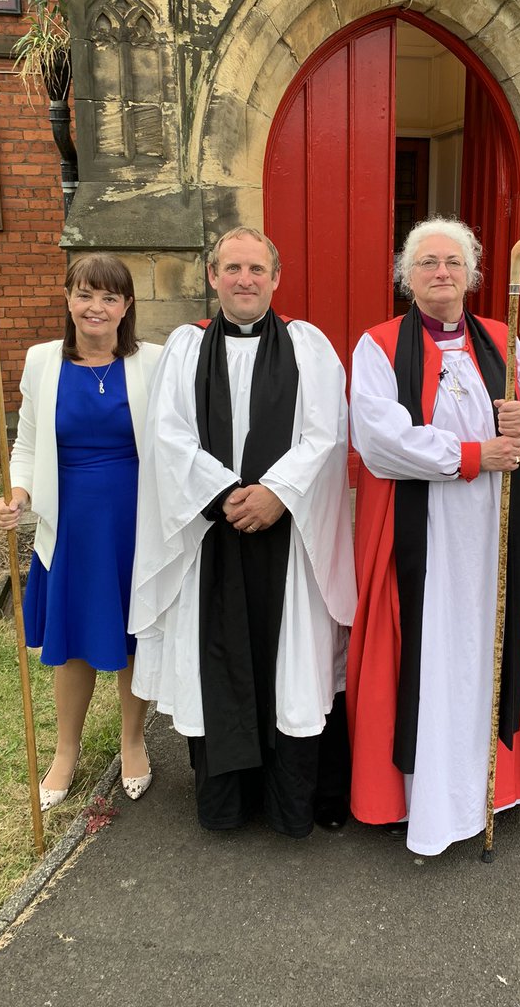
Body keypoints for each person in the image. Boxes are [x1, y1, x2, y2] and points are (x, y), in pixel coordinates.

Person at [346, 218, 520, 856]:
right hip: (423, 536)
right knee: (429, 651)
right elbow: (380, 440)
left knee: (483, 649)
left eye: (453, 262)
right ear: (406, 278)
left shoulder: (502, 339)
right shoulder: (379, 345)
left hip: (493, 536)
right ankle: (424, 797)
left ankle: (488, 789)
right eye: (426, 263)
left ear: (472, 275)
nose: (441, 273)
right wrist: (475, 453)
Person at [129, 227, 356, 838]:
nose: (245, 279)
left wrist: (277, 494)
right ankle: (226, 802)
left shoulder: (310, 348)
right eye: (232, 268)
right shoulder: (184, 349)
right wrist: (227, 495)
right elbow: (167, 435)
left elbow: (327, 432)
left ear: (276, 279)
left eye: (256, 269)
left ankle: (291, 803)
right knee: (219, 654)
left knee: (292, 663)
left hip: (288, 536)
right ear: (212, 277)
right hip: (215, 533)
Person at [0, 254, 162, 809]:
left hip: (135, 520)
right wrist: (19, 494)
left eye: (110, 297)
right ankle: (65, 750)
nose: (97, 307)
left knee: (133, 634)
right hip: (70, 523)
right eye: (86, 294)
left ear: (127, 306)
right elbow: (29, 444)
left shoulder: (152, 363)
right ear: (68, 299)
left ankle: (132, 740)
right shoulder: (41, 361)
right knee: (73, 645)